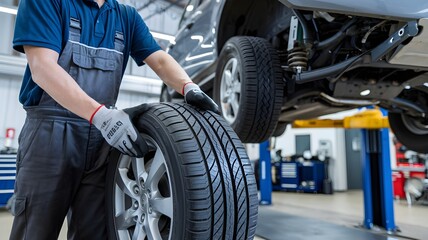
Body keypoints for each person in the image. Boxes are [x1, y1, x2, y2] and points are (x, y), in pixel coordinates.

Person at [10, 0, 219, 239]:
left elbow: (160, 60)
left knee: (95, 232)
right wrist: (99, 114)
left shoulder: (126, 17)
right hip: (52, 136)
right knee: (35, 230)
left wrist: (188, 86)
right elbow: (42, 67)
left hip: (104, 139)